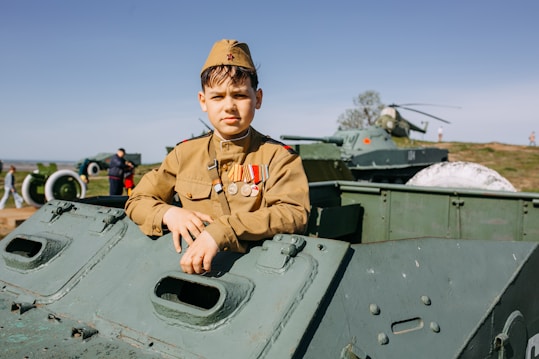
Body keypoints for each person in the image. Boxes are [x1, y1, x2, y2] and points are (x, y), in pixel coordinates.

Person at [125, 39, 310, 274]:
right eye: (218, 97)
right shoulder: (184, 154)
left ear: (258, 98)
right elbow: (137, 201)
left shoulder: (279, 158)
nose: (229, 106)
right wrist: (168, 213)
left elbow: (293, 214)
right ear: (203, 101)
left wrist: (224, 230)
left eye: (240, 95)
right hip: (186, 270)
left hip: (254, 273)